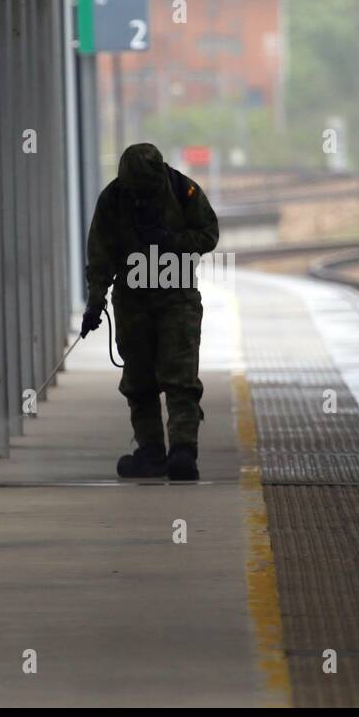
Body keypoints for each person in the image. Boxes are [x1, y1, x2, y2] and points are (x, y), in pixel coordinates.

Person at [81, 143, 220, 480]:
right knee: (139, 380)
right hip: (132, 302)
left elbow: (209, 234)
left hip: (177, 299)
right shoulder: (114, 199)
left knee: (180, 379)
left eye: (146, 191)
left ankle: (183, 452)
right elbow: (100, 256)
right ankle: (151, 452)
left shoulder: (182, 190)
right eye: (135, 191)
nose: (140, 198)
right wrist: (95, 303)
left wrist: (172, 241)